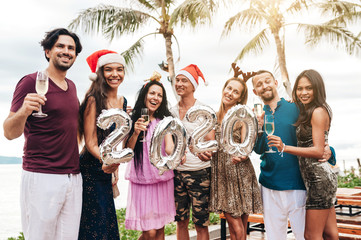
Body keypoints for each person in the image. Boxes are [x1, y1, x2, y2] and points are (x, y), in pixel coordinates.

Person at [3, 28, 83, 240]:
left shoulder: (72, 86)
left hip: (73, 178)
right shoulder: (29, 81)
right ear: (48, 51)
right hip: (42, 176)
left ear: (75, 55)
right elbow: (9, 132)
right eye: (60, 46)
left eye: (71, 48)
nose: (66, 51)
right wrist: (24, 110)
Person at [252, 70, 334, 240]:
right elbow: (259, 149)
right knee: (274, 237)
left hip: (298, 184)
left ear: (275, 83)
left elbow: (317, 136)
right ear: (255, 92)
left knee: (305, 236)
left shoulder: (298, 108)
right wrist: (259, 129)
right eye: (259, 84)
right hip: (269, 185)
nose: (264, 86)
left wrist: (331, 151)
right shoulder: (258, 116)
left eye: (267, 81)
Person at [78, 49, 129, 239]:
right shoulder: (93, 100)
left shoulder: (123, 102)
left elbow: (121, 139)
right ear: (101, 73)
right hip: (90, 170)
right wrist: (106, 160)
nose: (115, 74)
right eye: (109, 70)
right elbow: (90, 142)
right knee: (94, 227)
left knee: (107, 223)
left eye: (119, 69)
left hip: (108, 169)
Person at [209, 65, 263, 240]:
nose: (230, 93)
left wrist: (243, 154)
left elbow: (248, 146)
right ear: (223, 89)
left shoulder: (243, 117)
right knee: (235, 229)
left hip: (240, 172)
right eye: (229, 88)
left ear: (240, 97)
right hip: (221, 174)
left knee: (239, 228)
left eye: (236, 92)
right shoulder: (213, 116)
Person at [124, 77, 176, 240]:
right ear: (144, 95)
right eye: (152, 93)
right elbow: (127, 151)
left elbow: (169, 147)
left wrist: (177, 154)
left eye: (159, 95)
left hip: (161, 179)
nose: (155, 97)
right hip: (142, 179)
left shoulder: (165, 121)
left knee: (160, 230)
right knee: (149, 232)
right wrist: (136, 132)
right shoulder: (132, 119)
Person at [170, 64, 212, 240]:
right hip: (177, 173)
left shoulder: (204, 110)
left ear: (193, 85)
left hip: (200, 173)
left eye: (184, 80)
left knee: (200, 224)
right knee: (181, 221)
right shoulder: (171, 111)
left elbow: (211, 142)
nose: (179, 84)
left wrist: (205, 151)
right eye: (177, 80)